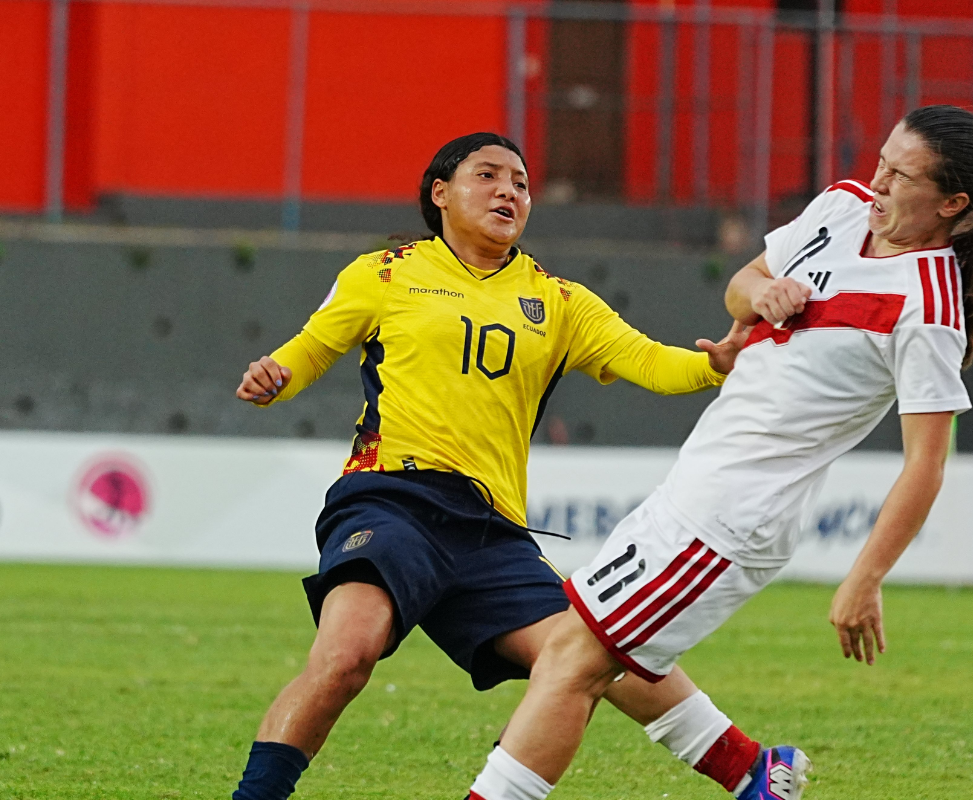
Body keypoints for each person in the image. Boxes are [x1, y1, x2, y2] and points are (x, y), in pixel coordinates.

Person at [464, 105, 973, 800]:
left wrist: (866, 577)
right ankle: (754, 775)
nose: (879, 180)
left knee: (572, 661)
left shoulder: (929, 305)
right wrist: (762, 293)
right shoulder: (840, 208)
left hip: (735, 519)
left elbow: (926, 463)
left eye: (901, 174)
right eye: (882, 160)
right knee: (587, 648)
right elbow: (742, 283)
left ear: (953, 203)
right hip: (696, 484)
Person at [228, 132, 782, 800]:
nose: (508, 192)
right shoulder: (383, 272)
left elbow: (647, 360)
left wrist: (711, 365)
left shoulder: (558, 299)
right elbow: (308, 352)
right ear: (440, 193)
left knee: (591, 654)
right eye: (487, 175)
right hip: (390, 502)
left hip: (490, 530)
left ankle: (754, 773)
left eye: (519, 183)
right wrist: (275, 377)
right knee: (347, 657)